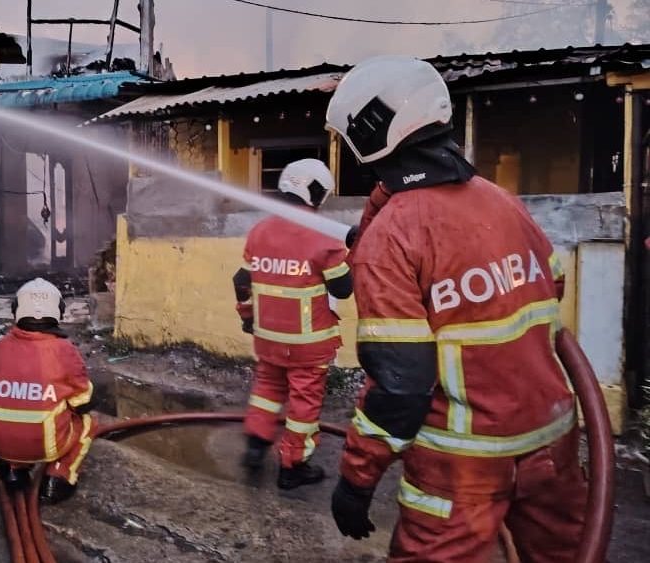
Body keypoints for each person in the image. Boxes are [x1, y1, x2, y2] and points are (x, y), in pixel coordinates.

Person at [325, 56, 584, 562]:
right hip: (552, 442)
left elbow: (401, 387)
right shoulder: (501, 201)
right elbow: (550, 284)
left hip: (462, 466)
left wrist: (356, 481)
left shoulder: (394, 235)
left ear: (372, 129)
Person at [233, 159, 353, 490]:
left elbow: (241, 280)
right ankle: (293, 466)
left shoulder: (259, 231)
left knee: (267, 391)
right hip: (308, 346)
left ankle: (256, 446)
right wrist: (351, 253)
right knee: (303, 404)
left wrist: (247, 318)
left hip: (268, 339)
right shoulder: (324, 236)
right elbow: (343, 287)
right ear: (312, 191)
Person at [0, 278, 95, 504]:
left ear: (16, 311)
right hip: (45, 445)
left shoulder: (2, 345)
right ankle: (58, 478)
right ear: (58, 312)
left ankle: (12, 470)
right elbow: (82, 400)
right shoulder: (64, 350)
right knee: (88, 424)